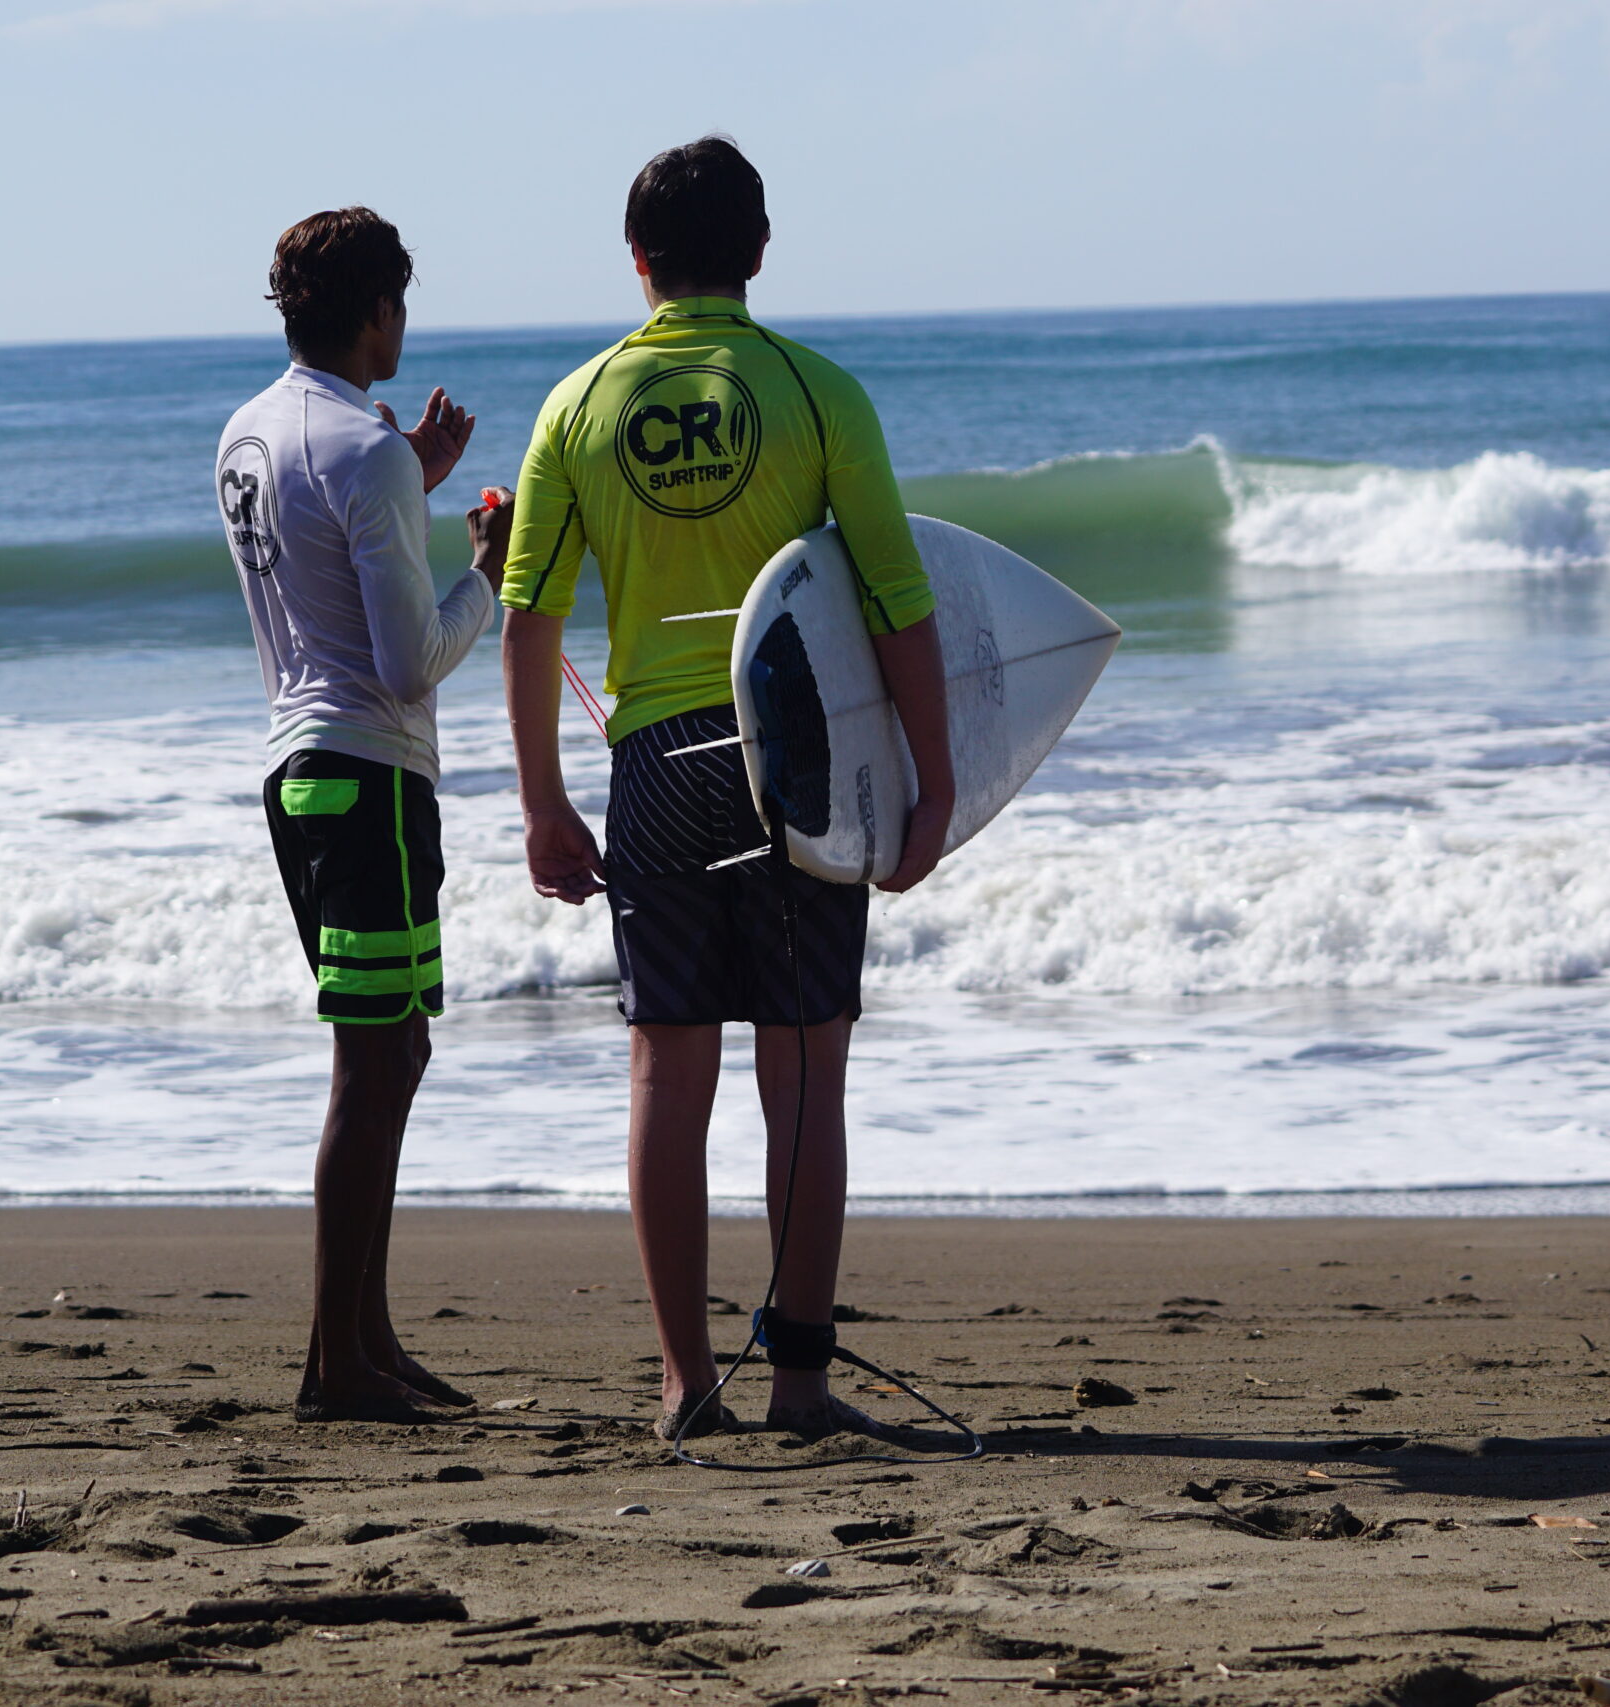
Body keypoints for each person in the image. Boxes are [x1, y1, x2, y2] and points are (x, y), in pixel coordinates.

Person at [498, 137, 953, 1443]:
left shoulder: (577, 405)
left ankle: (682, 1381)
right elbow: (901, 602)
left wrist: (544, 800)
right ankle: (801, 1384)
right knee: (803, 1072)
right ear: (760, 249)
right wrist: (933, 780)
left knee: (664, 1072)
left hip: (654, 764)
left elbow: (529, 616)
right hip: (795, 759)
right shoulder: (818, 394)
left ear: (636, 262)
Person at [215, 207, 508, 1424]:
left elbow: (324, 556)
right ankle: (340, 1364)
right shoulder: (365, 449)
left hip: (295, 768)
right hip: (371, 773)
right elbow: (406, 661)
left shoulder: (247, 434)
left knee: (392, 1051)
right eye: (402, 303)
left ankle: (366, 1343)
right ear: (376, 311)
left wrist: (417, 485)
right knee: (374, 1060)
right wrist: (485, 568)